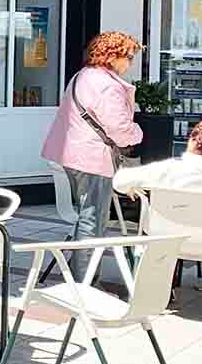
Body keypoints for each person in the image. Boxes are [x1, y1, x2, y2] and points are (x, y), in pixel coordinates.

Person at [42, 31, 143, 280]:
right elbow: (118, 128)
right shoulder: (106, 84)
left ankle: (82, 277)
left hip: (73, 153)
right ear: (112, 56)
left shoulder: (83, 75)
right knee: (92, 221)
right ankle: (85, 285)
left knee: (87, 216)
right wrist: (137, 133)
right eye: (128, 57)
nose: (130, 63)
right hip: (92, 158)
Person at [115, 119, 202, 307]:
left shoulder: (167, 169)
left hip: (163, 239)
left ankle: (164, 289)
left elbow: (119, 180)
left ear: (192, 141)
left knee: (168, 229)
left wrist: (131, 187)